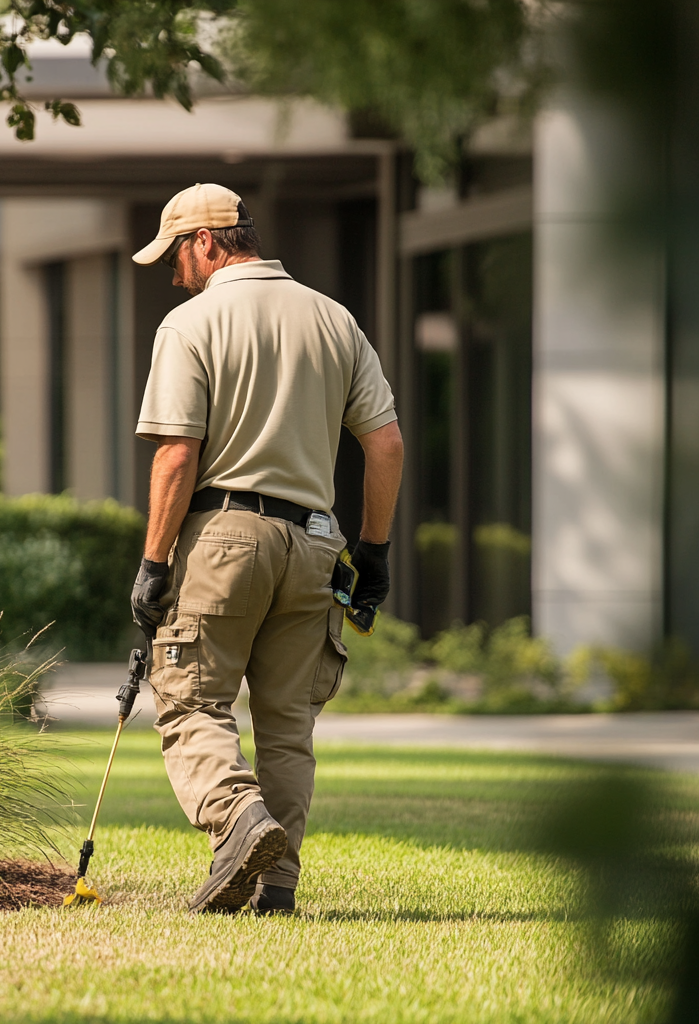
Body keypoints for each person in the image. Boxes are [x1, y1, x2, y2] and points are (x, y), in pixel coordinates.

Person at [130, 183, 403, 914]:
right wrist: (374, 553)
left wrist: (153, 563)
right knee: (287, 727)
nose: (173, 274)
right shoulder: (334, 318)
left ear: (206, 241)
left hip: (224, 536)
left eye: (175, 256)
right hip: (316, 542)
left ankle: (238, 820)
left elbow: (177, 455)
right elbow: (385, 444)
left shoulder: (190, 324)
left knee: (190, 702)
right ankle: (275, 889)